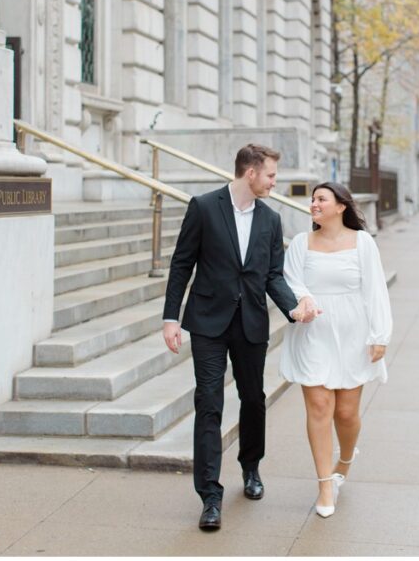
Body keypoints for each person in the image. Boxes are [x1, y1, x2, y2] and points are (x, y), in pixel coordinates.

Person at [162, 144, 312, 531]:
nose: (275, 182)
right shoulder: (204, 207)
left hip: (251, 323)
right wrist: (170, 318)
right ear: (251, 173)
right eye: (271, 175)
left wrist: (292, 308)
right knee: (208, 403)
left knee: (253, 400)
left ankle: (251, 468)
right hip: (208, 321)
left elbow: (272, 275)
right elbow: (182, 264)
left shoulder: (271, 219)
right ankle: (210, 496)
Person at [279, 182, 393, 518]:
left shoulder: (362, 243)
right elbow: (290, 279)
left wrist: (380, 335)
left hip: (353, 334)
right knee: (318, 406)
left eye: (321, 199)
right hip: (313, 332)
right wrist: (304, 299)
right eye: (312, 199)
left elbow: (375, 289)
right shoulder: (301, 243)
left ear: (341, 206)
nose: (314, 204)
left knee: (345, 413)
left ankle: (345, 458)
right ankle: (325, 483)